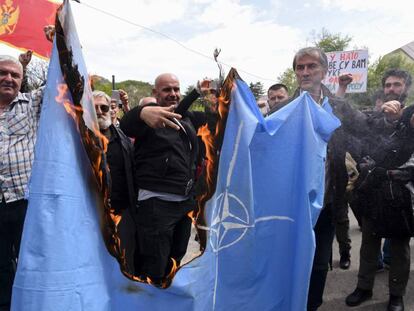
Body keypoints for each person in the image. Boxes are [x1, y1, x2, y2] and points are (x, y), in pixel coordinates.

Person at [120, 73, 207, 286]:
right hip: (156, 206)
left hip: (185, 204)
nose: (173, 94)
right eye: (167, 90)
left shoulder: (187, 119)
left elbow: (218, 116)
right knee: (154, 267)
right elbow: (126, 124)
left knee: (175, 259)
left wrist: (210, 93)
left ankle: (167, 299)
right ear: (155, 93)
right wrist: (142, 112)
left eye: (176, 89)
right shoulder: (147, 119)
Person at [346, 69, 414, 311]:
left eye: (397, 85)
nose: (391, 89)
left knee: (399, 248)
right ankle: (364, 287)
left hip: (400, 192)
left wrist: (398, 120)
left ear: (405, 88)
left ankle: (396, 295)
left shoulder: (411, 116)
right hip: (373, 190)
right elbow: (357, 131)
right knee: (369, 243)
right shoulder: (374, 117)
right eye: (388, 85)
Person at [0, 55, 44, 311]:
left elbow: (62, 81)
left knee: (32, 260)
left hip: (24, 202)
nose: (9, 78)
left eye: (15, 75)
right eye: (3, 73)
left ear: (22, 79)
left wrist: (59, 38)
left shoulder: (32, 103)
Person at [92, 90, 136, 270]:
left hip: (122, 210)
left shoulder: (123, 139)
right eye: (95, 108)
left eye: (104, 107)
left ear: (111, 111)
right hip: (92, 214)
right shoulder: (79, 139)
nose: (100, 111)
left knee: (124, 259)